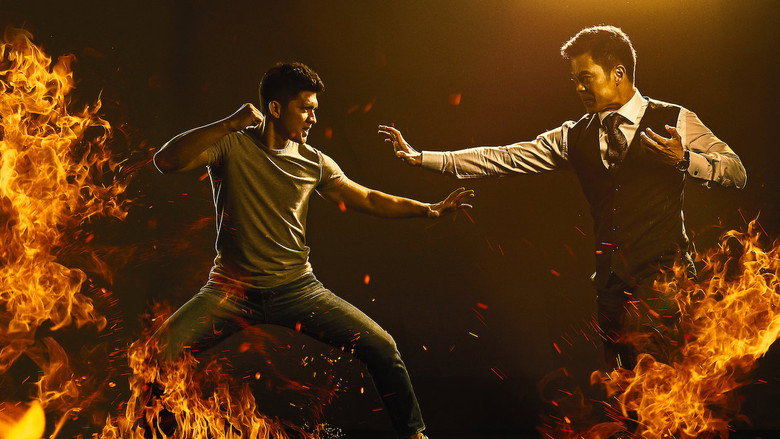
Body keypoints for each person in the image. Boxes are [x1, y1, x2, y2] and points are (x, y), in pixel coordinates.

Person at [379, 25, 746, 372]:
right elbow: (504, 157)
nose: (579, 88)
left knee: (665, 382)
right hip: (611, 284)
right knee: (623, 386)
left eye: (586, 77)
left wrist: (685, 160)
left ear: (618, 73)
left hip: (665, 276)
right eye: (575, 80)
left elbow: (736, 171)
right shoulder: (573, 135)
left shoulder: (674, 119)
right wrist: (423, 158)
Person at [153, 62, 474, 439]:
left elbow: (368, 198)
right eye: (305, 108)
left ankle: (415, 435)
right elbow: (166, 161)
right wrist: (228, 123)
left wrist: (427, 209)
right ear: (276, 108)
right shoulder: (230, 144)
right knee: (157, 353)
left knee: (383, 347)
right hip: (230, 291)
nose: (313, 118)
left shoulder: (314, 162)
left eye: (315, 110)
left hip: (297, 290)